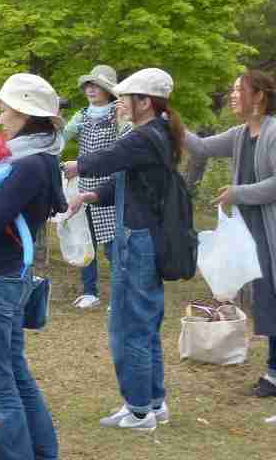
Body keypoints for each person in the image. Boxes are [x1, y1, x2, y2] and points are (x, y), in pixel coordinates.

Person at [64, 67, 182, 432]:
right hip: (141, 235)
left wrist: (74, 166)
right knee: (143, 322)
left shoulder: (146, 136)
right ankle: (153, 403)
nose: (120, 104)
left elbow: (107, 158)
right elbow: (127, 179)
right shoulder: (156, 133)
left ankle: (139, 411)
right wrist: (93, 194)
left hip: (138, 238)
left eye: (125, 98)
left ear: (144, 102)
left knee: (131, 325)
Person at [0, 73, 62, 459]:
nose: (0, 116)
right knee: (15, 375)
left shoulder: (29, 164)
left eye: (5, 109)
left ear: (24, 114)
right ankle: (42, 452)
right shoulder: (39, 158)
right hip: (9, 276)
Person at [183, 70, 276, 398]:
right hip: (251, 231)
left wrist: (238, 192)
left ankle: (274, 373)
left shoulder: (274, 131)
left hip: (270, 230)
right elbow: (201, 147)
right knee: (264, 297)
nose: (233, 95)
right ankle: (274, 370)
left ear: (259, 97)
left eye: (240, 90)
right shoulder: (239, 134)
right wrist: (167, 116)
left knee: (272, 294)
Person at [63, 65, 123, 310]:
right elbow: (63, 136)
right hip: (84, 184)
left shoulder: (118, 114)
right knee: (86, 241)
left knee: (113, 246)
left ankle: (121, 294)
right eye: (88, 85)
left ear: (108, 90)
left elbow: (126, 142)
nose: (91, 89)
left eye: (96, 85)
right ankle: (90, 291)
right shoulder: (81, 115)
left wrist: (122, 119)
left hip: (110, 187)